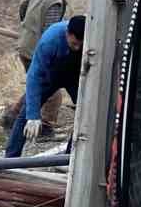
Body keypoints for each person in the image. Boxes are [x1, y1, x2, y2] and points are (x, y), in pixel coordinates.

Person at [4, 0, 72, 133]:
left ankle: (12, 115)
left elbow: (22, 8)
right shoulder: (54, 1)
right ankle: (45, 127)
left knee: (37, 85)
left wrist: (28, 29)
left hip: (25, 45)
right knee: (53, 90)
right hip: (35, 50)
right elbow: (51, 31)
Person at [6, 15, 85, 158]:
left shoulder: (90, 38)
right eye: (74, 44)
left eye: (80, 45)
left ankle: (69, 157)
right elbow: (34, 76)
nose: (77, 48)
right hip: (51, 74)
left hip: (75, 76)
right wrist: (33, 116)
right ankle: (10, 158)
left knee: (85, 114)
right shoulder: (50, 40)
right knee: (26, 114)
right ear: (67, 33)